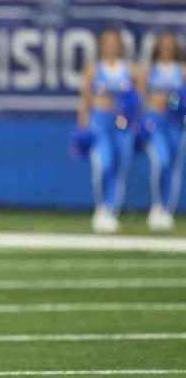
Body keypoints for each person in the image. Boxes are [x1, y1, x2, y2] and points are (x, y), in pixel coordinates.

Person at [78, 29, 140, 233]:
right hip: (100, 123)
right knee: (103, 165)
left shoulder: (130, 70)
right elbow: (86, 100)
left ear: (121, 46)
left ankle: (112, 211)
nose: (111, 46)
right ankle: (101, 207)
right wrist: (83, 125)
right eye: (107, 43)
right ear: (101, 46)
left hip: (122, 126)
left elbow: (138, 101)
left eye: (115, 43)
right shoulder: (93, 69)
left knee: (119, 168)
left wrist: (135, 120)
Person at [139, 31, 186, 231]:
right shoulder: (149, 70)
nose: (167, 48)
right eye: (163, 44)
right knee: (162, 161)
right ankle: (157, 205)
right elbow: (141, 98)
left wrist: (175, 103)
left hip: (175, 124)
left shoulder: (182, 71)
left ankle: (166, 210)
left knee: (174, 166)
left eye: (170, 44)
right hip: (155, 122)